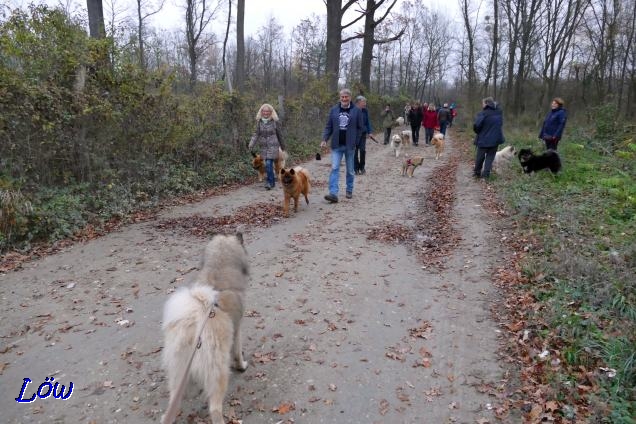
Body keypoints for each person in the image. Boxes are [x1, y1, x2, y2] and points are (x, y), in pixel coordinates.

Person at [321, 89, 364, 203]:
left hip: (350, 145)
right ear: (340, 98)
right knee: (335, 168)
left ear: (350, 97)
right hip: (336, 145)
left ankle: (349, 189)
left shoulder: (357, 110)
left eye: (346, 97)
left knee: (350, 170)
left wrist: (356, 141)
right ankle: (333, 193)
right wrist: (324, 139)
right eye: (342, 97)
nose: (344, 99)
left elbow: (360, 128)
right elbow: (328, 126)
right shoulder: (334, 110)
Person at [248, 103, 285, 190]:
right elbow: (256, 134)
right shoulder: (259, 122)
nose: (266, 113)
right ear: (261, 112)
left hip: (273, 146)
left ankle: (269, 182)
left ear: (271, 112)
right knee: (268, 165)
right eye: (264, 111)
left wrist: (283, 146)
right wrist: (251, 144)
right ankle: (271, 182)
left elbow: (280, 134)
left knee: (268, 163)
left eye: (267, 111)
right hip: (264, 147)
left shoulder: (275, 121)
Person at [472, 97, 505, 179]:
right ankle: (485, 175)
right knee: (490, 158)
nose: (482, 105)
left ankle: (477, 173)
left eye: (483, 103)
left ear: (486, 104)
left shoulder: (483, 113)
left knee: (480, 157)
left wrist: (479, 132)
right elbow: (500, 124)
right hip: (495, 140)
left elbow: (476, 126)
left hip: (483, 139)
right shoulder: (499, 113)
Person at [354, 95, 373, 175]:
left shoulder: (365, 110)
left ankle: (362, 167)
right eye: (364, 102)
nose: (365, 104)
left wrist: (370, 132)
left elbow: (368, 122)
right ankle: (356, 168)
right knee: (354, 152)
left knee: (362, 150)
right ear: (358, 102)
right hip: (354, 135)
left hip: (363, 134)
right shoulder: (352, 110)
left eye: (365, 102)